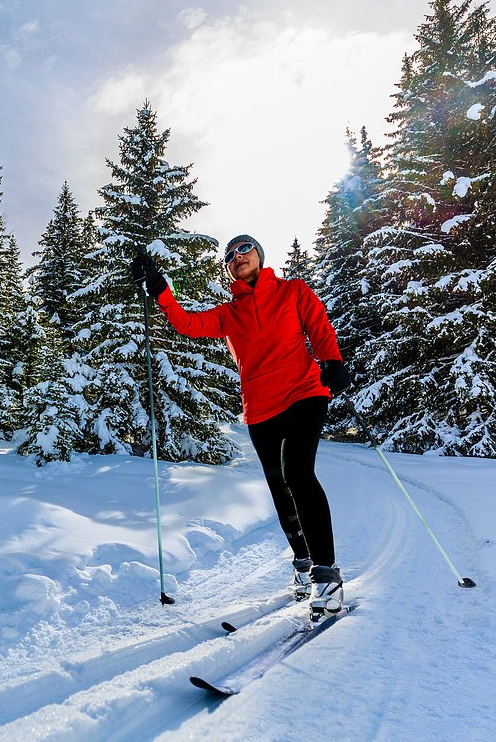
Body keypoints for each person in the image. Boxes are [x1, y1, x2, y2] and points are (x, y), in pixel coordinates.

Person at [131, 235, 351, 617]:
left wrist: (332, 361)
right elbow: (187, 324)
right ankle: (302, 563)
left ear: (260, 255)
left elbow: (318, 325)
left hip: (304, 392)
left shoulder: (292, 291)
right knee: (280, 489)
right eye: (230, 256)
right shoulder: (229, 313)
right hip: (260, 409)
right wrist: (162, 291)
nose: (237, 257)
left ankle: (327, 577)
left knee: (298, 473)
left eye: (244, 249)